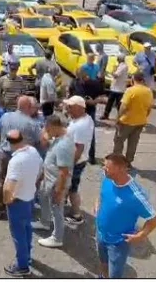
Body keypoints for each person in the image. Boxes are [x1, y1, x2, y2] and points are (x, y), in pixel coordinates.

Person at [95, 153, 156, 278]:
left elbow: (154, 219)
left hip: (118, 242)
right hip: (101, 233)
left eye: (107, 167)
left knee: (115, 274)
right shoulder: (107, 178)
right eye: (104, 166)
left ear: (120, 169)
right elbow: (102, 193)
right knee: (103, 261)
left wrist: (141, 235)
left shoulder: (135, 196)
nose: (104, 169)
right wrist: (97, 203)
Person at [0, 96, 41, 220]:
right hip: (21, 157)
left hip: (4, 154)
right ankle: (15, 207)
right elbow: (38, 141)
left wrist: (1, 145)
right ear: (28, 107)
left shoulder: (5, 116)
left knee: (1, 180)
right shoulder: (32, 123)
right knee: (19, 182)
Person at [2, 129, 43, 277]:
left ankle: (22, 266)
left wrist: (7, 200)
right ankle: (27, 256)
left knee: (18, 234)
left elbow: (8, 187)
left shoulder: (16, 161)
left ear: (9, 143)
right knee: (26, 229)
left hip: (18, 202)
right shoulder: (32, 151)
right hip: (29, 198)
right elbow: (41, 169)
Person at [37, 114, 75, 249]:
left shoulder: (63, 145)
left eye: (48, 130)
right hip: (49, 179)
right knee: (43, 197)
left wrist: (59, 191)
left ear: (54, 127)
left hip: (56, 183)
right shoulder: (60, 137)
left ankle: (57, 238)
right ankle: (45, 222)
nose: (47, 133)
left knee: (57, 209)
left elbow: (63, 172)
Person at [64, 95, 95, 225]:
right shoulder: (84, 119)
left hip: (75, 162)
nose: (67, 108)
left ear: (79, 108)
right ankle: (63, 202)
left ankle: (76, 215)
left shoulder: (80, 126)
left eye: (70, 107)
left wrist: (68, 165)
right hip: (78, 160)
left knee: (72, 189)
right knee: (69, 186)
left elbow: (79, 148)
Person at [113, 72, 154, 168]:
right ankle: (128, 162)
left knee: (119, 141)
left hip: (126, 121)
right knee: (133, 143)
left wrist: (117, 118)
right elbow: (149, 108)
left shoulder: (130, 90)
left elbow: (123, 106)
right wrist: (144, 117)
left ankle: (117, 161)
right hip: (141, 121)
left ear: (133, 79)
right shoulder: (148, 91)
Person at [103, 54, 129, 120]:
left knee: (118, 104)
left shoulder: (122, 67)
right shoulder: (122, 66)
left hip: (118, 89)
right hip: (116, 87)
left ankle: (121, 117)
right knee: (110, 102)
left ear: (119, 59)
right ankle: (106, 114)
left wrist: (112, 72)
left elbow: (115, 75)